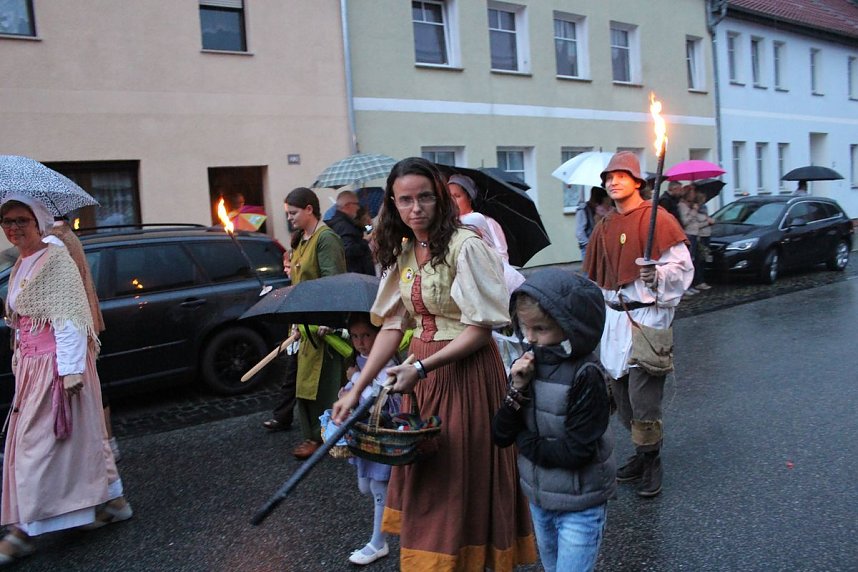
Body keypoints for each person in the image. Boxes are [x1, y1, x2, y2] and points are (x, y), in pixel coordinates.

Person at [331, 157, 536, 571]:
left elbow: (481, 327)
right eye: (405, 200)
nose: (416, 208)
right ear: (393, 203)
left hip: (465, 374)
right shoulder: (406, 251)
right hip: (419, 377)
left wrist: (421, 369)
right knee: (427, 475)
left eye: (425, 197)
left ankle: (467, 561)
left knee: (458, 477)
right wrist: (356, 390)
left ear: (440, 198)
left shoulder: (467, 246)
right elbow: (392, 325)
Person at [0, 195, 131, 564]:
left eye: (21, 221)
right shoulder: (22, 261)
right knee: (85, 440)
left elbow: (70, 316)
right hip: (32, 366)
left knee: (32, 447)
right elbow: (24, 313)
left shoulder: (55, 255)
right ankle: (113, 500)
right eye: (7, 221)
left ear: (38, 221)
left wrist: (70, 370)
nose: (13, 228)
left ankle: (23, 529)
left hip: (57, 366)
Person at [582, 151, 693, 497]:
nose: (611, 182)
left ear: (637, 182)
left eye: (620, 176)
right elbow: (597, 276)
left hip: (647, 315)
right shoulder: (604, 225)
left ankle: (652, 461)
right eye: (607, 178)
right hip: (614, 317)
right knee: (621, 395)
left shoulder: (657, 219)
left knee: (643, 397)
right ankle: (644, 453)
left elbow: (684, 269)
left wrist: (656, 274)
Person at [492, 269, 615, 572]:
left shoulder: (587, 375)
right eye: (525, 327)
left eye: (541, 328)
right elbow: (500, 434)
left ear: (569, 325)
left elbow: (578, 451)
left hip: (580, 503)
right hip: (539, 498)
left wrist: (525, 442)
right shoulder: (529, 363)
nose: (530, 338)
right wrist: (517, 388)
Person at [48, 217, 121, 461]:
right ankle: (107, 446)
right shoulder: (67, 235)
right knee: (96, 388)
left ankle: (102, 451)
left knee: (88, 391)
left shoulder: (55, 240)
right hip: (84, 320)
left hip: (77, 324)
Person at [284, 187, 347, 460]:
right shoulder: (300, 240)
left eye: (294, 213)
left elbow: (333, 283)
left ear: (310, 209)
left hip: (322, 327)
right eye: (287, 214)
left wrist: (327, 320)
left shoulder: (326, 239)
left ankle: (328, 436)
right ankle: (312, 435)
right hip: (302, 324)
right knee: (303, 385)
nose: (290, 218)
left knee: (324, 385)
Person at [340, 313, 402, 566]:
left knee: (378, 487)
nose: (361, 342)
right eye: (355, 336)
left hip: (382, 428)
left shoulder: (386, 360)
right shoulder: (357, 359)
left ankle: (378, 542)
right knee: (365, 486)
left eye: (366, 335)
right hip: (362, 429)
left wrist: (355, 379)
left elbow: (376, 392)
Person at [447, 173, 510, 262]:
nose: (452, 201)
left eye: (457, 196)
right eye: (449, 197)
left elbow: (502, 256)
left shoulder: (487, 222)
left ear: (469, 197)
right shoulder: (446, 224)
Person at [327, 190, 375, 276]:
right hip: (357, 275)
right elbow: (348, 250)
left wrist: (366, 226)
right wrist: (365, 241)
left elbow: (361, 230)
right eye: (356, 204)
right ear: (348, 205)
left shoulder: (345, 222)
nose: (358, 207)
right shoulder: (343, 225)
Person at [678, 184, 703, 297]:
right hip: (688, 234)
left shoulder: (690, 205)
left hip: (694, 234)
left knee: (693, 261)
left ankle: (691, 285)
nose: (694, 196)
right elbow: (685, 221)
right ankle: (685, 287)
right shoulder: (682, 206)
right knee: (688, 261)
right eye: (692, 193)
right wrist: (693, 211)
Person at [576, 186, 609, 259]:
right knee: (588, 270)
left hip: (597, 247)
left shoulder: (596, 210)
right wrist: (588, 245)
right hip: (587, 248)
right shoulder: (583, 209)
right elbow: (579, 232)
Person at [694, 192, 715, 291]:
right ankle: (699, 281)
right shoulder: (695, 210)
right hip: (700, 236)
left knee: (705, 258)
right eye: (703, 198)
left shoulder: (704, 209)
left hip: (707, 235)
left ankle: (703, 280)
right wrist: (707, 222)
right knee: (700, 260)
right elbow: (696, 225)